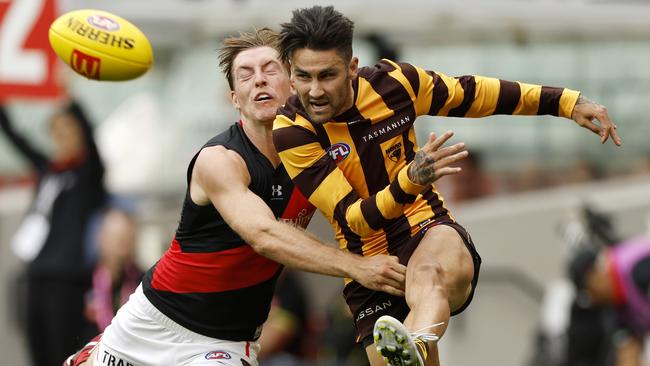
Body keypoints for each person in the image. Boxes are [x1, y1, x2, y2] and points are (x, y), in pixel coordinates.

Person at [272, 6, 621, 366]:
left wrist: (564, 101)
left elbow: (472, 94)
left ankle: (416, 343)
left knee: (427, 273)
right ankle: (414, 347)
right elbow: (354, 219)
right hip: (370, 268)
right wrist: (410, 180)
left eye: (327, 75)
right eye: (304, 76)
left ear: (352, 66)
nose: (315, 90)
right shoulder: (292, 129)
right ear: (290, 72)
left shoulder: (396, 85)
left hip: (428, 230)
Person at [64, 28, 407, 366]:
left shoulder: (321, 152)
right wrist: (357, 267)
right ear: (234, 98)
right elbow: (263, 235)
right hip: (150, 323)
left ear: (293, 82)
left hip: (224, 341)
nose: (259, 80)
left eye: (270, 70)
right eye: (246, 75)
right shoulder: (220, 159)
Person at [0, 101, 106, 366]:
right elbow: (16, 138)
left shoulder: (87, 175)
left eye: (67, 130)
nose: (61, 138)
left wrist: (71, 100)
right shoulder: (49, 170)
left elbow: (92, 145)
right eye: (55, 132)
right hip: (37, 273)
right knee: (37, 346)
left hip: (67, 278)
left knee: (63, 349)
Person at [84, 207, 143, 332]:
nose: (121, 245)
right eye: (115, 237)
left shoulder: (143, 283)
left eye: (127, 238)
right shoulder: (82, 281)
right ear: (100, 239)